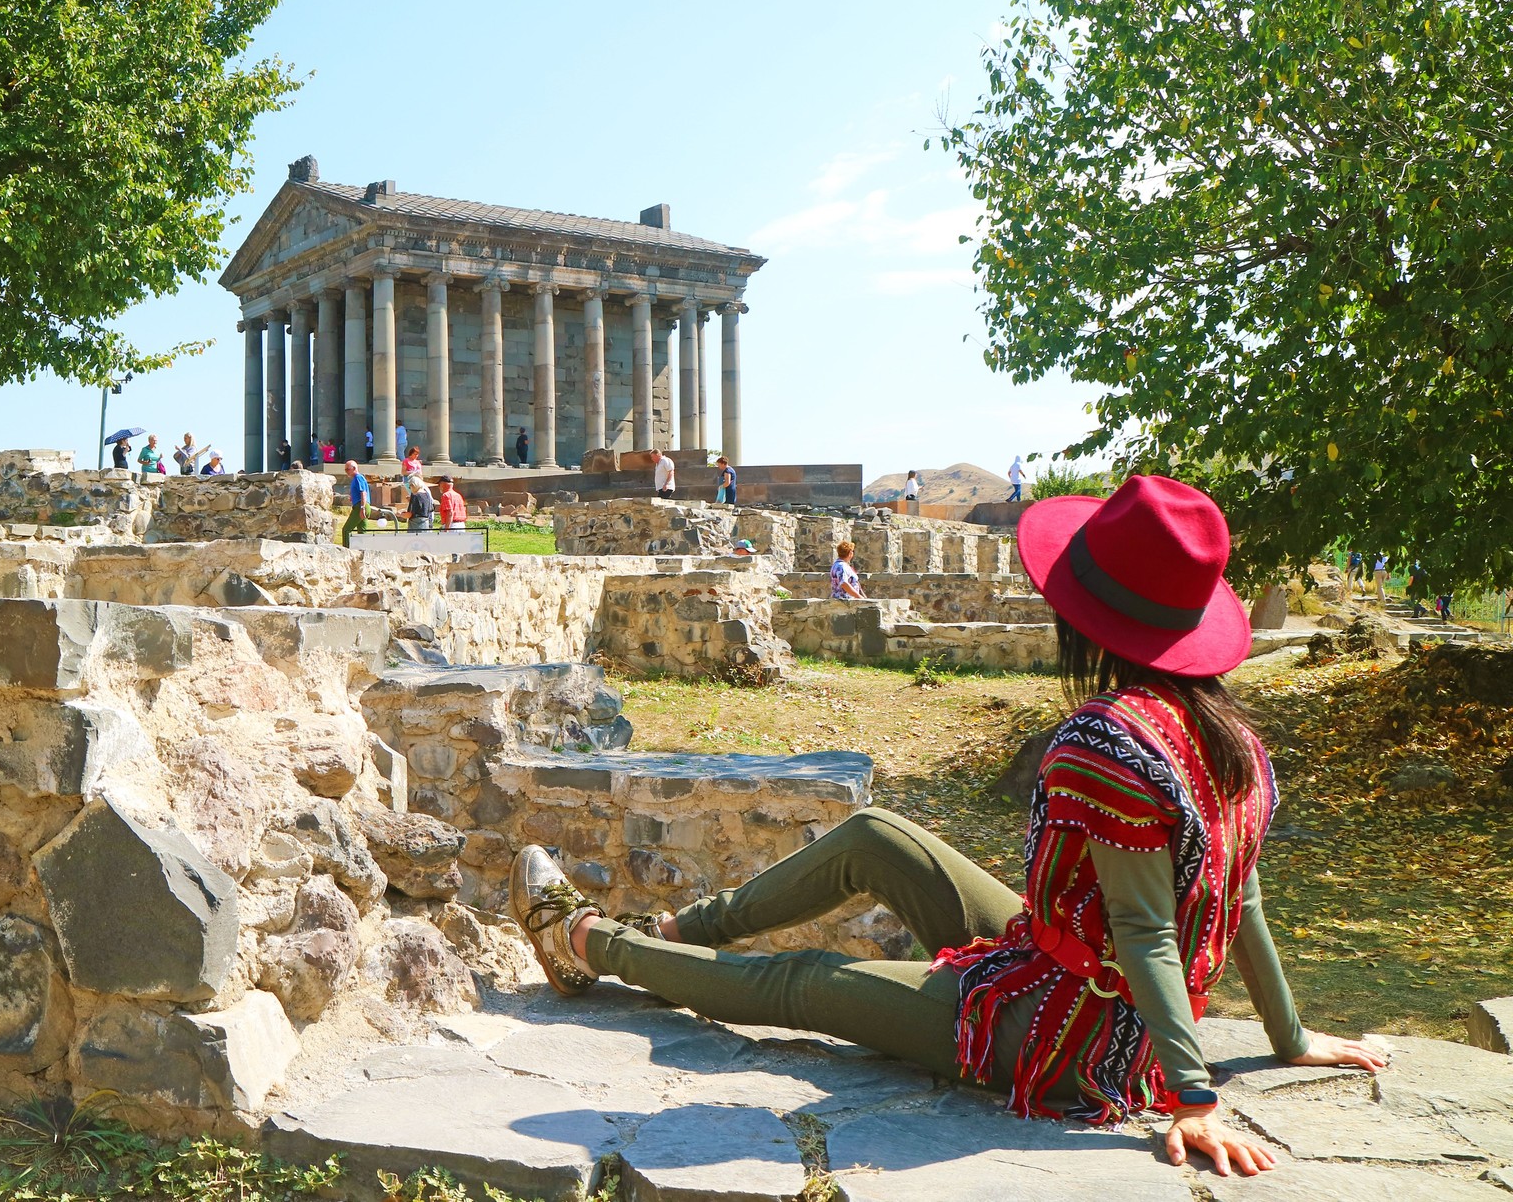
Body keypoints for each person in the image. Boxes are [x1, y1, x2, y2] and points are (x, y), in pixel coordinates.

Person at [506, 474, 1386, 1177]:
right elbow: (1247, 903)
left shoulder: (1106, 742)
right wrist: (1291, 1037)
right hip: (1071, 967)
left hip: (1068, 1038)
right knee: (877, 836)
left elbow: (1148, 928)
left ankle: (587, 942)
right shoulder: (1236, 742)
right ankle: (674, 934)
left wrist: (1193, 1100)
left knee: (808, 983)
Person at [341, 460, 369, 543]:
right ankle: (362, 550)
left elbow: (363, 493)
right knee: (362, 531)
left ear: (354, 468)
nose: (346, 472)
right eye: (345, 470)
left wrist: (362, 508)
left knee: (346, 530)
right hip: (364, 505)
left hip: (360, 506)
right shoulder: (356, 479)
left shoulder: (358, 477)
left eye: (347, 469)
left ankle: (346, 550)